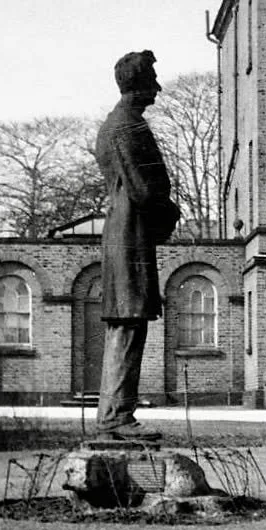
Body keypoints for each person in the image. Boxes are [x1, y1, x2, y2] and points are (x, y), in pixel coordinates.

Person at [94, 51, 180, 440]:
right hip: (130, 237)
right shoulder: (128, 127)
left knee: (127, 325)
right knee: (129, 325)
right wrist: (170, 209)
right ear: (138, 84)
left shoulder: (115, 124)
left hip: (124, 234)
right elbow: (146, 190)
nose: (158, 88)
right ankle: (116, 417)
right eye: (153, 80)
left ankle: (115, 414)